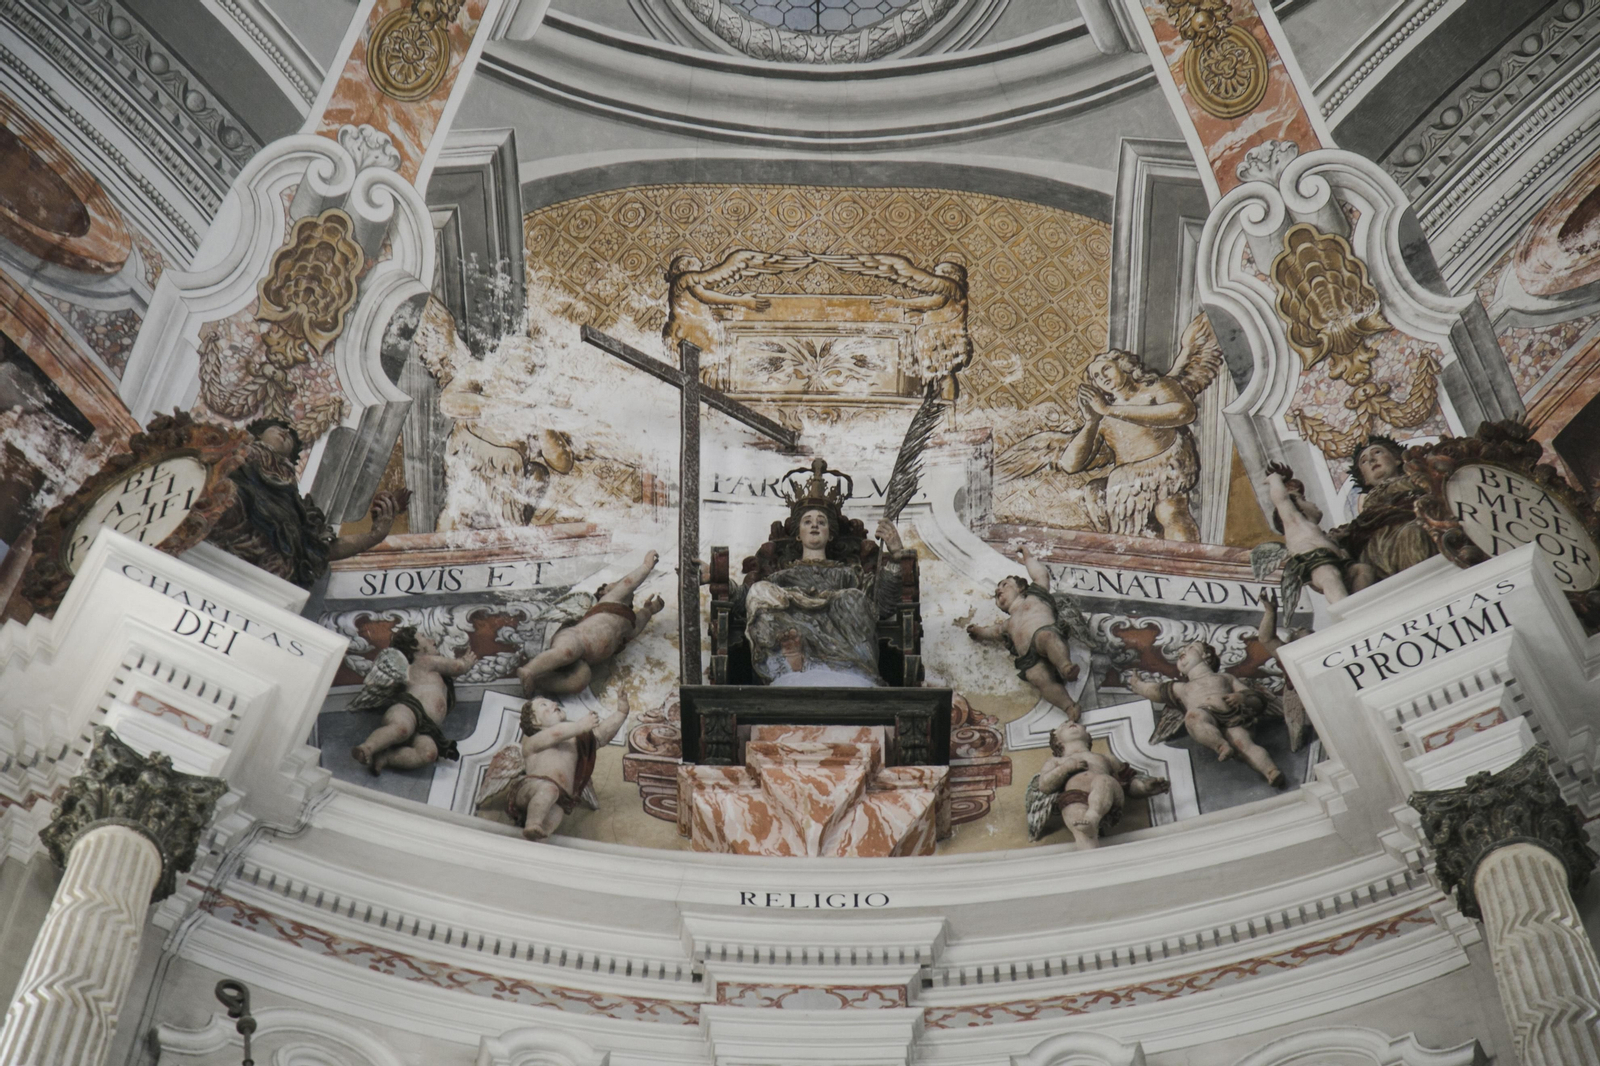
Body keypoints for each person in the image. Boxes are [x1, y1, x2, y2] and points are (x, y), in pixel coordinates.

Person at [710, 458, 904, 686]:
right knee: (761, 591)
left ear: (830, 534)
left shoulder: (850, 574)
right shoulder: (779, 577)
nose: (814, 525)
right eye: (807, 521)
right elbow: (746, 599)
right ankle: (788, 658)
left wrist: (897, 556)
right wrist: (716, 578)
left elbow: (882, 605)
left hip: (845, 650)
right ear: (797, 533)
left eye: (821, 522)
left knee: (852, 598)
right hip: (791, 628)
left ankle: (845, 666)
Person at [206, 418, 408, 587]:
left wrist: (375, 535)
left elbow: (319, 549)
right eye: (277, 428)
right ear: (257, 434)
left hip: (262, 576)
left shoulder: (295, 507)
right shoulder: (232, 453)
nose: (285, 432)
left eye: (291, 440)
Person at [1129, 640, 1286, 788]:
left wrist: (1242, 697)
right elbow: (1156, 691)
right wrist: (1138, 685)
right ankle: (1220, 746)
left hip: (1233, 716)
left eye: (1189, 649)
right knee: (1193, 718)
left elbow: (1257, 699)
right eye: (1179, 654)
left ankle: (1271, 771)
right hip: (1205, 715)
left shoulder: (1225, 677)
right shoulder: (1181, 688)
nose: (1182, 652)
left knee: (1244, 745)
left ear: (1206, 655)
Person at [517, 551, 665, 696]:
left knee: (580, 681)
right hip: (576, 638)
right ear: (603, 594)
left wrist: (649, 610)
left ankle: (538, 682)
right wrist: (646, 567)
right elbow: (629, 583)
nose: (618, 585)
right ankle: (529, 670)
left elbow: (638, 624)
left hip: (585, 660)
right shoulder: (610, 600)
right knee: (566, 651)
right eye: (611, 585)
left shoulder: (628, 623)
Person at [967, 545, 1084, 719]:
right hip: (1029, 657)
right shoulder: (1007, 624)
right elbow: (992, 632)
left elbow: (1040, 575)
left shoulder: (1035, 596)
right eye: (996, 591)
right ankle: (1068, 707)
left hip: (1043, 634)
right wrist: (978, 631)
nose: (999, 590)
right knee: (1037, 676)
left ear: (1020, 587)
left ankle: (1065, 667)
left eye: (1004, 585)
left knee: (1047, 637)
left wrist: (1028, 557)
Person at [349, 625, 478, 774]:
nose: (432, 640)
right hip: (408, 710)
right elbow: (456, 667)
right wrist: (466, 662)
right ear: (414, 646)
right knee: (400, 729)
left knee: (428, 754)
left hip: (426, 727)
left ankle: (387, 758)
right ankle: (368, 747)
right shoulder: (425, 662)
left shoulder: (435, 673)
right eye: (424, 636)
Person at [506, 695, 632, 841]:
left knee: (556, 815)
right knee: (548, 789)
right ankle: (533, 823)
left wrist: (621, 713)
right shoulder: (534, 741)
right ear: (535, 721)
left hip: (560, 798)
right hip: (531, 789)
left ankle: (538, 837)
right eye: (543, 705)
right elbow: (556, 733)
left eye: (551, 701)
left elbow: (600, 736)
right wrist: (579, 726)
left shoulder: (575, 741)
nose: (553, 703)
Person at [1025, 721, 1169, 846]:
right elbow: (1044, 785)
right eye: (1064, 725)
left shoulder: (1106, 758)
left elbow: (1129, 782)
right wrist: (1065, 768)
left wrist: (1144, 787)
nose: (1070, 722)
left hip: (1107, 792)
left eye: (1075, 724)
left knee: (1103, 781)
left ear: (1087, 735)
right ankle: (1089, 855)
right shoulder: (1056, 762)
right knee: (1079, 825)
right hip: (1072, 797)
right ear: (1056, 740)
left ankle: (1092, 817)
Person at [1330, 435, 1437, 588]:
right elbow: (1359, 527)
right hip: (1376, 548)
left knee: (1413, 534)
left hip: (1410, 531)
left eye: (1377, 453)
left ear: (1397, 459)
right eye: (1364, 461)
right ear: (1364, 478)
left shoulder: (1416, 481)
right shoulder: (1368, 507)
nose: (1372, 460)